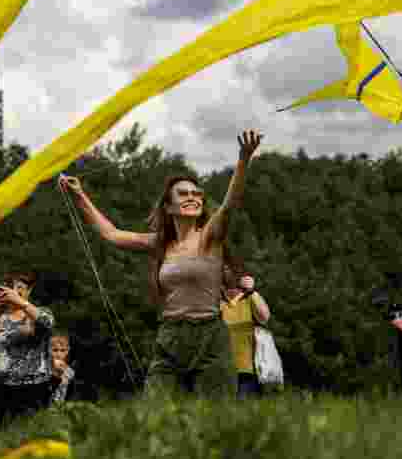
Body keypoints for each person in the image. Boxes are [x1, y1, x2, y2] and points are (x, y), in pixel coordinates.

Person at [59, 129, 262, 399]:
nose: (193, 197)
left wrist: (243, 159)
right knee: (156, 412)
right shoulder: (160, 243)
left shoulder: (211, 237)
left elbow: (229, 205)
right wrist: (79, 195)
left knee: (216, 417)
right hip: (170, 336)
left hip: (211, 337)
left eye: (197, 194)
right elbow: (112, 234)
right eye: (183, 194)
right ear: (168, 206)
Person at [0, 270, 56, 422]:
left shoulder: (37, 313)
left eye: (20, 287)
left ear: (29, 290)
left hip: (33, 388)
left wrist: (21, 304)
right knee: (0, 437)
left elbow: (47, 323)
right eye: (11, 288)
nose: (15, 292)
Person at [220, 264, 271, 399]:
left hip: (246, 365)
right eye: (224, 271)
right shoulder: (216, 300)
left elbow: (265, 317)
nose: (228, 275)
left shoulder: (250, 297)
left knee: (241, 406)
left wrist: (252, 292)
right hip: (222, 365)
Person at [49, 332, 77, 404]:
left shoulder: (69, 371)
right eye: (55, 350)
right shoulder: (45, 368)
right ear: (49, 350)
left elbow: (71, 391)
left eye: (62, 350)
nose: (59, 354)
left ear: (67, 351)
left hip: (61, 405)